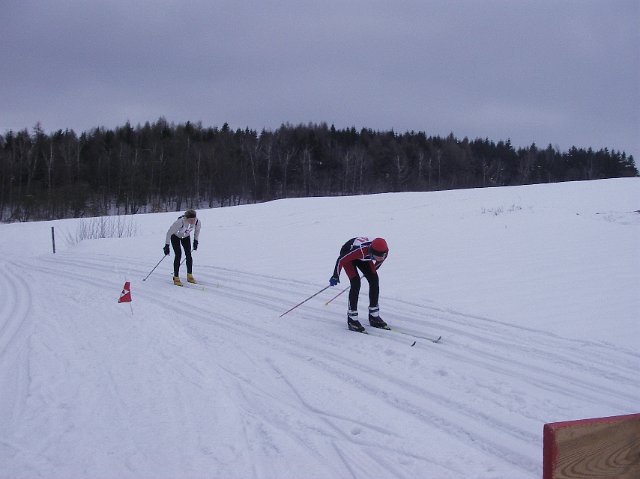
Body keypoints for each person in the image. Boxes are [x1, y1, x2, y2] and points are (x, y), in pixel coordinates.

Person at [329, 237, 389, 332]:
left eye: (383, 255)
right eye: (378, 256)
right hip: (348, 254)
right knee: (356, 283)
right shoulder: (360, 251)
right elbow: (341, 260)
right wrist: (335, 275)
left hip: (364, 257)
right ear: (372, 252)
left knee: (374, 280)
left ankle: (374, 316)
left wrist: (370, 272)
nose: (381, 258)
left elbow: (378, 263)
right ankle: (352, 319)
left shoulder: (384, 252)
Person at [164, 209, 201, 286]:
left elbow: (197, 231)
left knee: (188, 255)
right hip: (175, 236)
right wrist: (167, 245)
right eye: (191, 220)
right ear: (186, 218)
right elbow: (169, 233)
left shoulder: (197, 222)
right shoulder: (179, 222)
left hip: (186, 237)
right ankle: (176, 277)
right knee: (178, 255)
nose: (193, 221)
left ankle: (189, 275)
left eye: (194, 219)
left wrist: (195, 241)